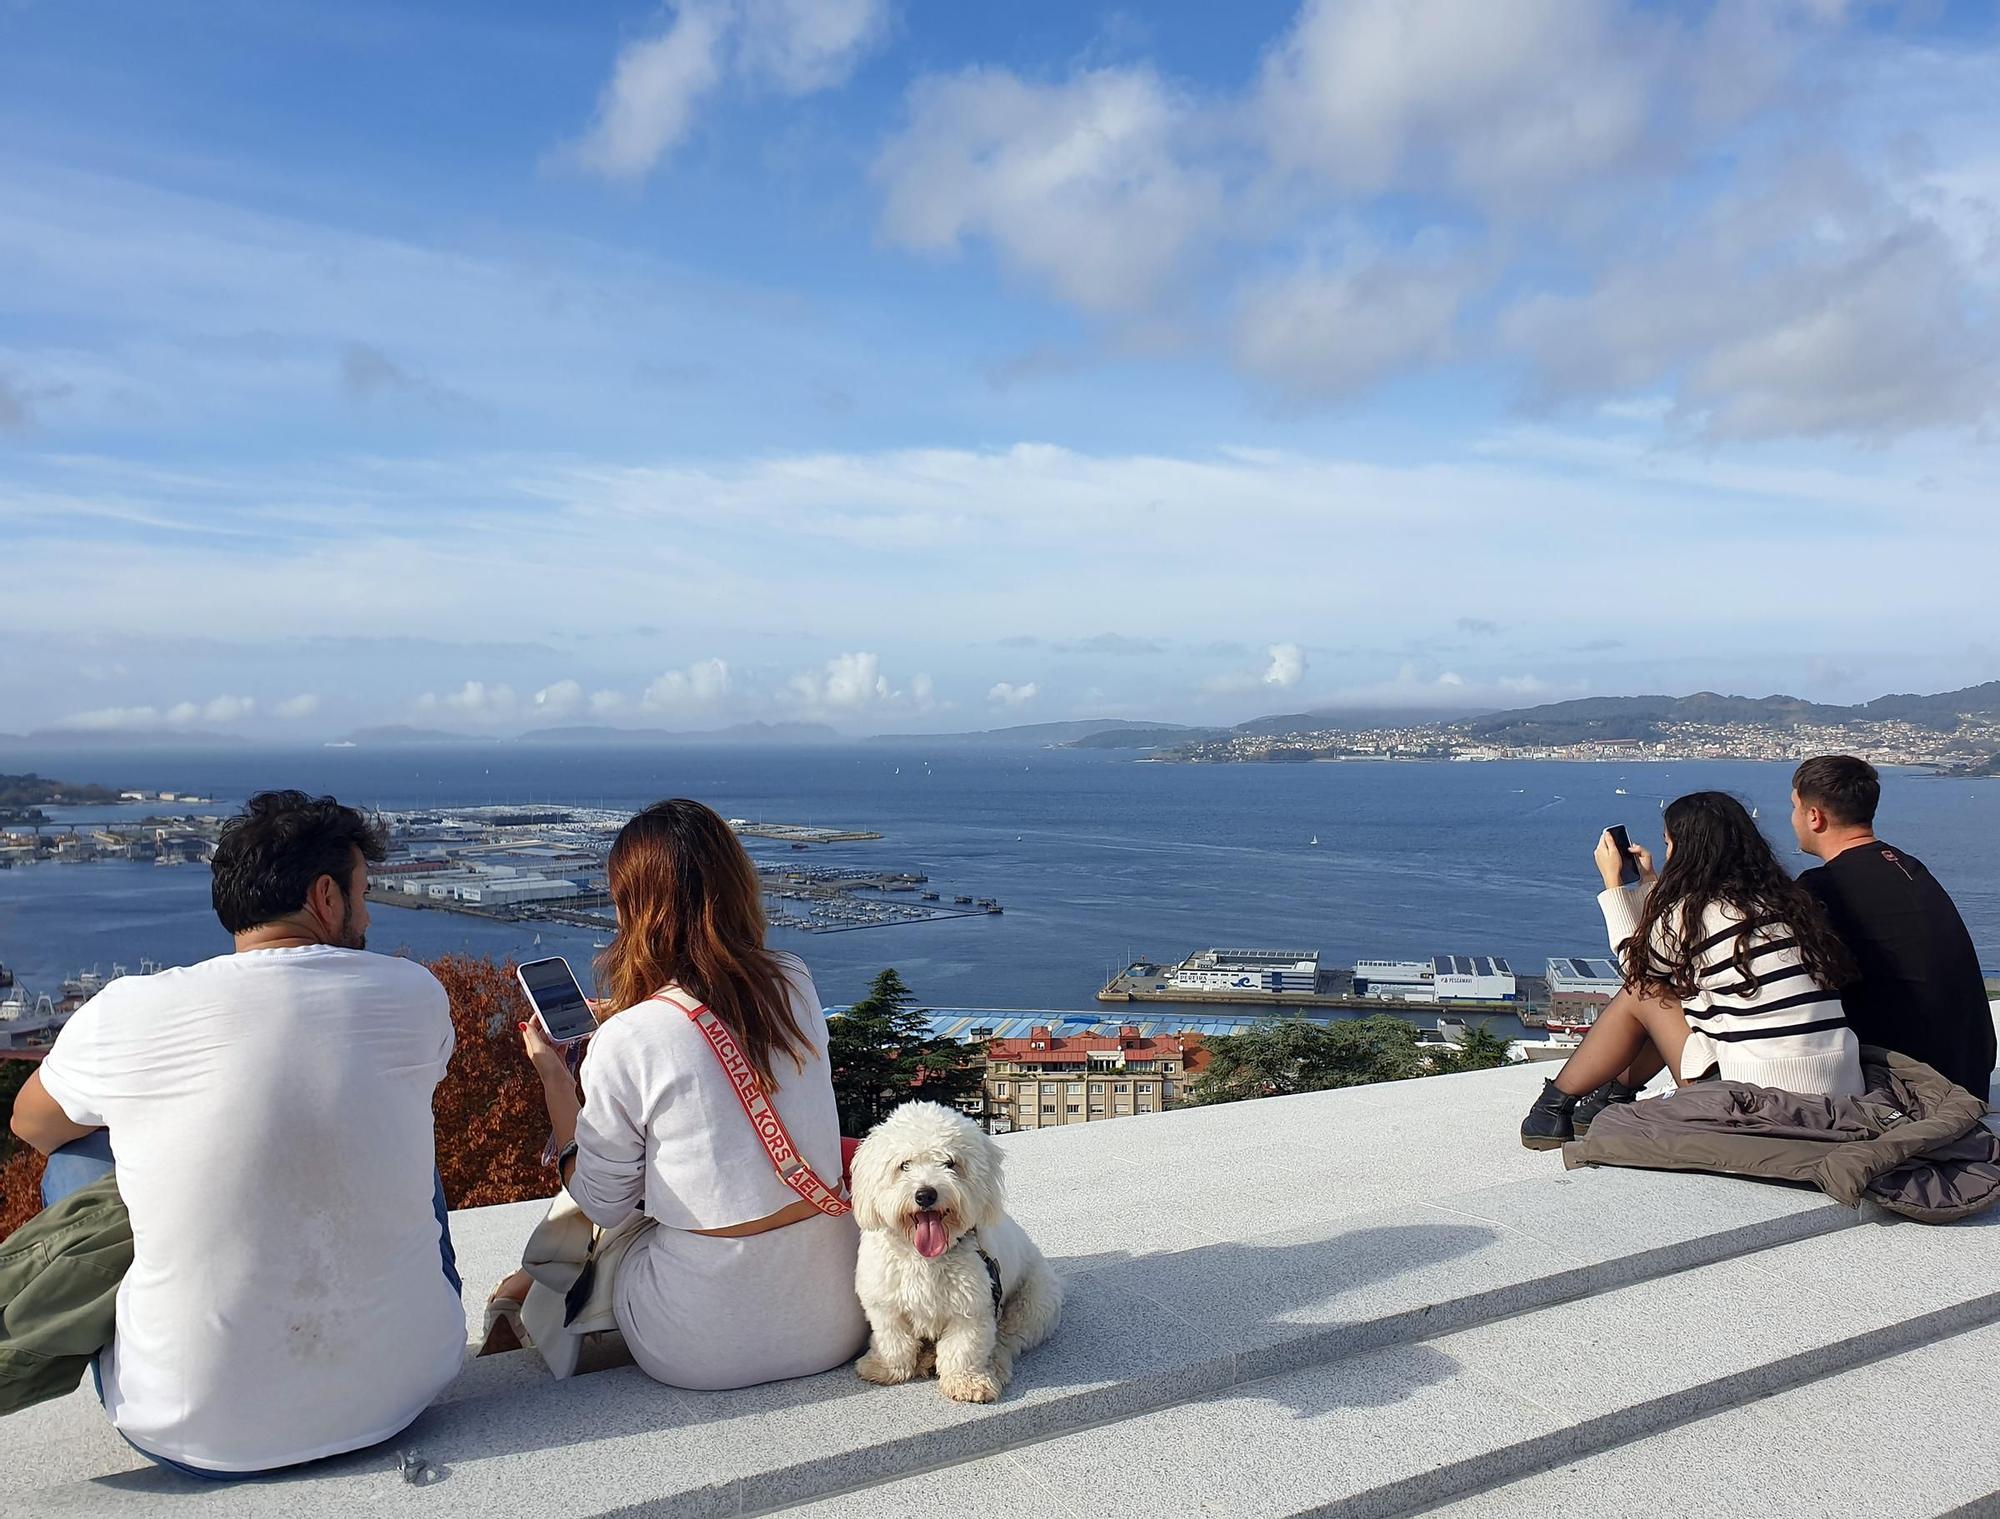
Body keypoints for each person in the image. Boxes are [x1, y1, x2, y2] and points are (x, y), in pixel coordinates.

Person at [8, 791, 464, 1477]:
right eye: (365, 893)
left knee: (79, 1154)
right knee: (387, 1118)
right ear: (326, 897)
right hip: (408, 1391)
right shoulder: (414, 991)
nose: (370, 914)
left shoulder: (127, 1010)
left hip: (193, 1432)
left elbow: (30, 1122)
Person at [510, 798, 867, 1388]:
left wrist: (556, 1077)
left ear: (634, 907)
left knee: (596, 1218)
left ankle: (524, 1301)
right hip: (838, 1315)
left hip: (701, 1347)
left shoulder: (627, 1038)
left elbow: (602, 1203)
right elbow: (709, 1036)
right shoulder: (794, 982)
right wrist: (634, 1024)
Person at [1521, 791, 1864, 1149]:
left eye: (1670, 844)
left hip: (1760, 1101)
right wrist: (1650, 885)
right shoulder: (1788, 906)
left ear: (1688, 852)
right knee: (1679, 994)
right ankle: (1606, 1099)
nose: (1668, 853)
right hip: (1838, 1093)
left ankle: (1553, 1107)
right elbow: (1671, 953)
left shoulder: (1699, 913)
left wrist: (1614, 887)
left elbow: (1638, 967)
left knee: (1645, 992)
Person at [1791, 755, 1996, 1098]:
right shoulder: (1909, 867)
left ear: (1815, 817)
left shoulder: (1823, 888)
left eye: (1795, 807)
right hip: (1966, 1073)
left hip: (1907, 1089)